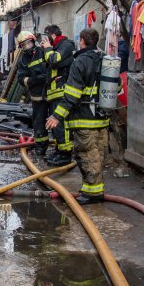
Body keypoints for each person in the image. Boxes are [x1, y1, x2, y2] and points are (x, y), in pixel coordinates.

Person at [45, 28, 109, 205]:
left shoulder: (80, 61)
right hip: (102, 118)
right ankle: (94, 189)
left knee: (87, 155)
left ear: (82, 41)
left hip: (84, 118)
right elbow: (116, 87)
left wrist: (57, 116)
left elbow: (72, 94)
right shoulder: (104, 59)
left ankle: (93, 193)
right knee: (98, 155)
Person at [40, 25, 77, 166]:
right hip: (53, 94)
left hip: (62, 93)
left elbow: (54, 60)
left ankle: (65, 154)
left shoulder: (65, 45)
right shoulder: (55, 47)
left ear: (53, 35)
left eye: (46, 36)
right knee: (55, 127)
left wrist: (48, 48)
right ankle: (59, 150)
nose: (44, 39)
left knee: (62, 125)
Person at [16, 30, 49, 155]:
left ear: (33, 41)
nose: (27, 46)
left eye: (28, 43)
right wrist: (33, 80)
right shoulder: (23, 60)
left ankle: (61, 149)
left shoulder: (42, 51)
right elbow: (21, 79)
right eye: (23, 45)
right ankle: (40, 147)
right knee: (39, 123)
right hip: (37, 96)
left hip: (51, 94)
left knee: (55, 121)